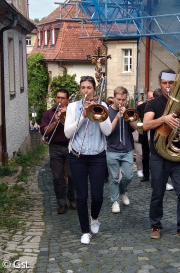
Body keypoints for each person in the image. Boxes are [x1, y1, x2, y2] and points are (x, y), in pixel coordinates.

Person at [143, 69, 180, 244]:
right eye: (165, 83)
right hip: (159, 156)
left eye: (171, 83)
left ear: (176, 84)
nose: (168, 86)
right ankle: (155, 225)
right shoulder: (154, 104)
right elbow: (146, 125)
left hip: (179, 155)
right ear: (160, 84)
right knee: (158, 192)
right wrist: (163, 119)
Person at [64, 76, 112, 244]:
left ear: (94, 90)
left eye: (89, 88)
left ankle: (95, 218)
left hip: (97, 156)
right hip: (77, 156)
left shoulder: (103, 106)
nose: (86, 91)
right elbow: (67, 134)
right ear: (80, 89)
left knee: (97, 196)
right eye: (83, 87)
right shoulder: (72, 107)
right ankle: (85, 230)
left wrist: (97, 114)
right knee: (82, 196)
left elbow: (107, 132)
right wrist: (84, 116)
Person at [40, 89, 76, 215]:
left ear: (67, 100)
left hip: (70, 146)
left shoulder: (72, 112)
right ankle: (61, 203)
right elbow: (44, 132)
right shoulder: (49, 113)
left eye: (62, 98)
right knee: (57, 177)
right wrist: (55, 121)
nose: (59, 101)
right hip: (55, 147)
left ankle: (72, 198)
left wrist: (68, 115)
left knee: (72, 175)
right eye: (57, 98)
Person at [106, 86, 137, 213]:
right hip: (112, 149)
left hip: (127, 149)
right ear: (113, 98)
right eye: (118, 99)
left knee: (129, 176)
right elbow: (108, 131)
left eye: (123, 100)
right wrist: (118, 117)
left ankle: (122, 191)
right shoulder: (107, 112)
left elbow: (135, 127)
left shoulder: (128, 111)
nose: (121, 102)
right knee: (113, 178)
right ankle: (115, 201)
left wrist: (127, 117)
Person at [136, 91, 154, 182]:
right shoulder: (140, 107)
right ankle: (146, 175)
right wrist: (140, 132)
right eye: (151, 98)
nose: (152, 100)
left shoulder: (156, 105)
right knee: (145, 155)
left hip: (154, 134)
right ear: (147, 99)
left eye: (153, 98)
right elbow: (139, 122)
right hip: (144, 134)